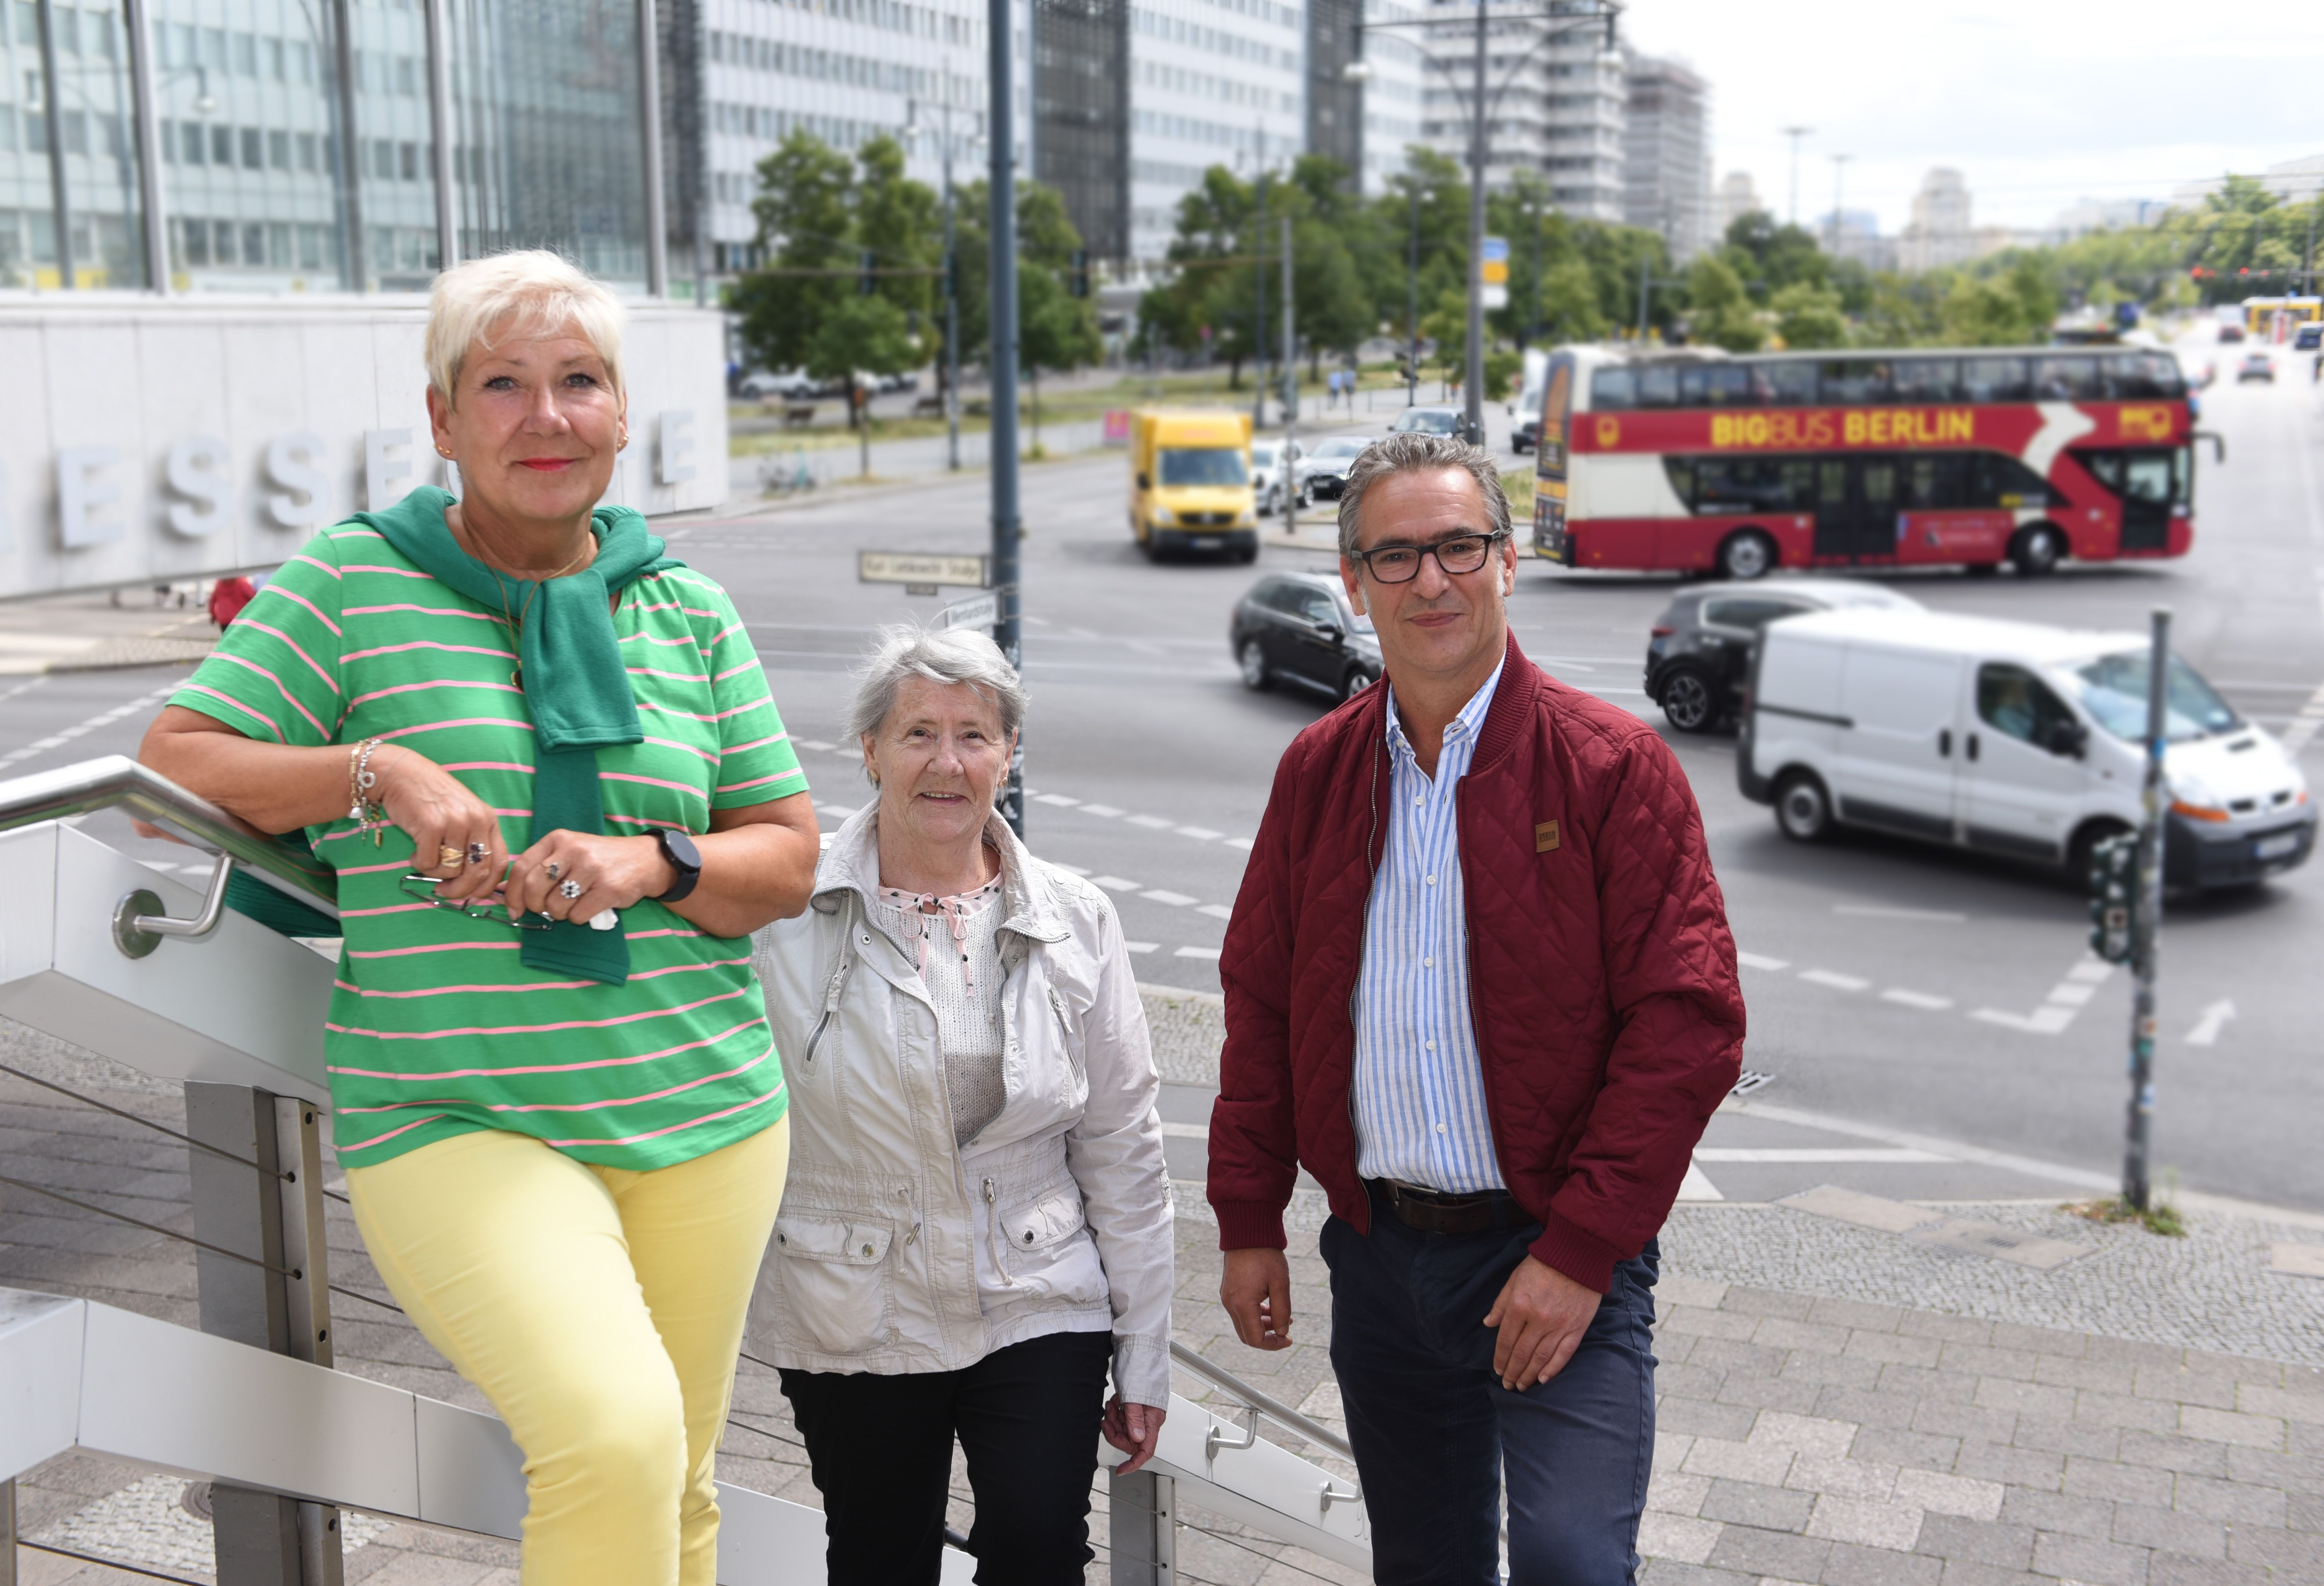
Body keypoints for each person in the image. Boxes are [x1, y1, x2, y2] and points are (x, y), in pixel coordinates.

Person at [138, 249, 822, 1586]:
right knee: (615, 1439)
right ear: (444, 421)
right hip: (459, 1113)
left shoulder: (685, 607)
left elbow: (788, 857)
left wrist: (652, 862)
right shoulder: (350, 582)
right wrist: (372, 770)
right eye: (501, 384)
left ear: (622, 414)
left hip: (707, 1111)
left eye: (578, 382)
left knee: (677, 1480)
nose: (545, 416)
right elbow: (175, 758)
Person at [1208, 430, 1746, 1585]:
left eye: (1458, 546)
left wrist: (1582, 1251)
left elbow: (1686, 1023)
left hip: (1551, 1252)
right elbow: (1259, 1001)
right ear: (1352, 583)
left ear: (1508, 562)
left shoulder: (1610, 767)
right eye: (1393, 558)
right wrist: (1248, 1215)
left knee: (1566, 1561)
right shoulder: (1314, 771)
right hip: (1381, 1257)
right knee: (1424, 1565)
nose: (1430, 581)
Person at [748, 626, 1173, 1584]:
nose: (949, 762)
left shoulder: (1076, 917)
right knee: (879, 1557)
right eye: (917, 734)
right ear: (869, 750)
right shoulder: (784, 910)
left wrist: (1143, 1351)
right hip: (851, 1295)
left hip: (1037, 1290)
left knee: (1037, 1547)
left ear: (1009, 752)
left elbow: (1122, 1146)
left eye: (975, 735)